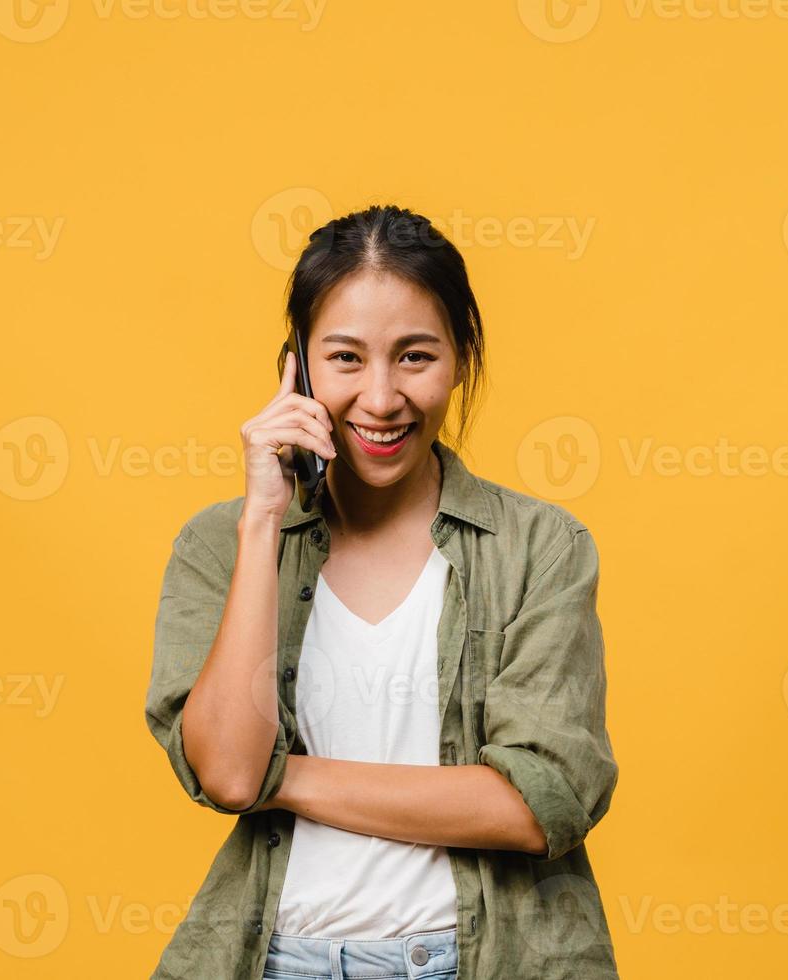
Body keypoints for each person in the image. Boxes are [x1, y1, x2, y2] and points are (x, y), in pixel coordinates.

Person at [146, 204, 622, 979]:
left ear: (462, 358)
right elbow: (230, 774)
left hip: (480, 960)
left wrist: (288, 777)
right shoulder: (219, 545)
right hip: (278, 960)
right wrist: (265, 519)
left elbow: (539, 803)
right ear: (296, 366)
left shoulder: (540, 548)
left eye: (414, 357)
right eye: (344, 358)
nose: (380, 397)